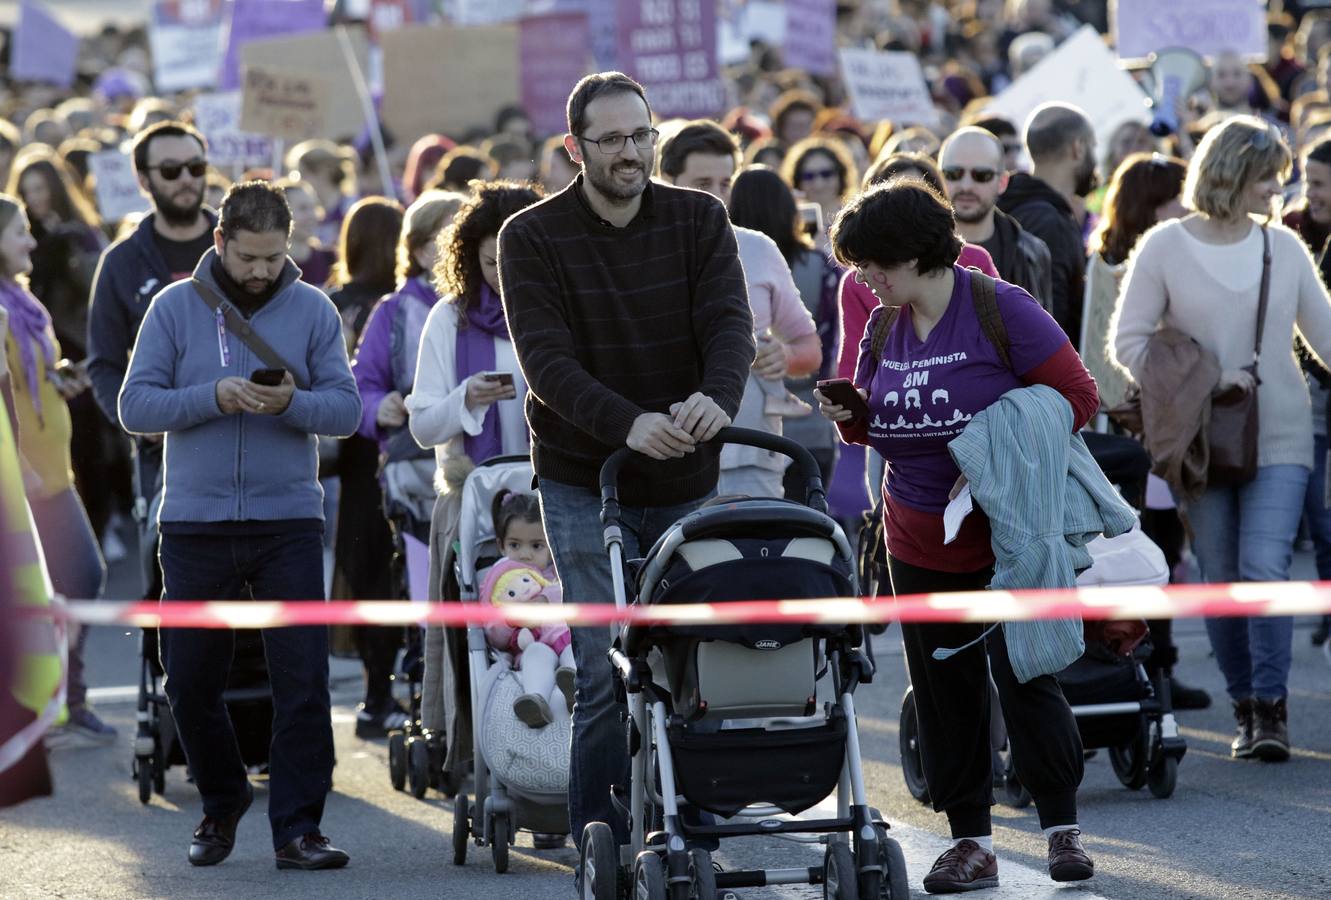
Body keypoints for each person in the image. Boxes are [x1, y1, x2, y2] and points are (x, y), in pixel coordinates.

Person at [816, 178, 1098, 891]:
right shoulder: (883, 326)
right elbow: (879, 425)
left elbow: (1077, 397)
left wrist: (995, 453)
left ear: (915, 254)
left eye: (874, 264)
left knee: (1028, 675)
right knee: (945, 695)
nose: (865, 279)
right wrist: (852, 415)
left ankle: (1061, 828)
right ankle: (969, 841)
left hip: (1007, 533)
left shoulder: (1000, 309)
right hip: (915, 535)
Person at [497, 72, 754, 853]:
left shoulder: (698, 218)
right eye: (611, 139)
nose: (631, 152)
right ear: (575, 148)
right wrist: (628, 424)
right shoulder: (530, 237)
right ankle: (598, 834)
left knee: (693, 660)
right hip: (584, 478)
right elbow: (546, 362)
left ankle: (697, 821)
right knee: (604, 667)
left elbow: (728, 325)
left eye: (641, 135)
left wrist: (717, 396)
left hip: (685, 473)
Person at [118, 181, 359, 869]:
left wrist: (290, 404)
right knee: (188, 680)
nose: (262, 271)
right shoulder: (172, 308)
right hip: (194, 522)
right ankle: (222, 802)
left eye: (275, 258)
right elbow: (136, 405)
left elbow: (344, 412)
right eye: (250, 257)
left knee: (302, 678)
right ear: (219, 241)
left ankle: (298, 830)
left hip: (287, 518)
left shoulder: (313, 308)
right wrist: (213, 397)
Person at [1112, 116, 1331, 763]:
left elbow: (1326, 337)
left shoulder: (1283, 248)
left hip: (1281, 431)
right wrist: (1205, 378)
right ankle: (1241, 703)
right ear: (1233, 174)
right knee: (1220, 575)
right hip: (1197, 441)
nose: (1278, 189)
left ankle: (1270, 710)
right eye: (1268, 177)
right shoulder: (1163, 246)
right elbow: (1127, 342)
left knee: (1264, 567)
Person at [1085, 152, 1213, 711]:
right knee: (1129, 555)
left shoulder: (1188, 257)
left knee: (1166, 552)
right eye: (1175, 195)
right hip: (1129, 433)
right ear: (1150, 202)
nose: (1187, 206)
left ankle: (1162, 668)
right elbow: (1098, 352)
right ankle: (1124, 667)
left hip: (1171, 429)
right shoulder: (1107, 264)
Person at [85, 120, 216, 602]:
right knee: (170, 563)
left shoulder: (238, 245)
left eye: (196, 166)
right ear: (144, 180)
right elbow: (102, 363)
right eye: (171, 169)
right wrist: (135, 421)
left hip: (247, 432)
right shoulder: (121, 262)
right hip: (164, 451)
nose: (186, 178)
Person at [656, 121, 820, 498]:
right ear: (665, 179)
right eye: (702, 184)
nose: (716, 197)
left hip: (750, 455)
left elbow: (809, 350)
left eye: (725, 184)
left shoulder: (758, 248)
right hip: (663, 460)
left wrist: (786, 355)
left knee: (752, 557)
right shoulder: (632, 252)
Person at [0, 194, 110, 748]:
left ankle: (65, 699)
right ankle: (50, 704)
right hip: (24, 480)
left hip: (52, 470)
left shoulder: (21, 301)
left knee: (74, 583)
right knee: (74, 581)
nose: (32, 242)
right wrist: (16, 467)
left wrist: (60, 379)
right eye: (20, 232)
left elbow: (29, 378)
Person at [325, 197, 406, 737]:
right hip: (397, 449)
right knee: (401, 573)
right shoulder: (403, 306)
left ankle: (375, 694)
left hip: (353, 461)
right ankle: (392, 689)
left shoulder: (332, 303)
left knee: (366, 571)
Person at [408, 182, 541, 473]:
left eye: (513, 261)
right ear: (470, 258)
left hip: (555, 491)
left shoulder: (563, 310)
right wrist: (466, 397)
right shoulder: (449, 317)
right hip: (476, 495)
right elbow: (422, 429)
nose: (503, 274)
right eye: (491, 263)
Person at [728, 165, 844, 498]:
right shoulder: (820, 266)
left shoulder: (734, 261)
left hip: (745, 434)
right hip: (813, 422)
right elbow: (832, 345)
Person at [998, 102, 1098, 343]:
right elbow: (1051, 325)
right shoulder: (1051, 222)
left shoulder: (1008, 206)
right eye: (1093, 147)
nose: (1096, 160)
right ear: (1078, 149)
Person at [479, 489, 573, 728]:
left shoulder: (557, 574)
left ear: (551, 546)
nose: (525, 555)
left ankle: (575, 686)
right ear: (501, 546)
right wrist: (511, 620)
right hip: (533, 643)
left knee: (575, 650)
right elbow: (492, 631)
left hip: (566, 637)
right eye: (515, 545)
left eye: (536, 546)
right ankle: (535, 700)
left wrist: (543, 599)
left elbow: (568, 595)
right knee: (535, 656)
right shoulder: (498, 581)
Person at [939, 126, 1053, 305]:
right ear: (940, 177)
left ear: (1002, 182)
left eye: (981, 175)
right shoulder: (915, 250)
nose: (966, 185)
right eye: (954, 174)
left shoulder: (1031, 252)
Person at [781, 136, 859, 244]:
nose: (819, 184)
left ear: (841, 176)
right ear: (797, 181)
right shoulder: (789, 225)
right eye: (808, 176)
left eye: (826, 174)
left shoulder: (856, 219)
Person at [276, 178, 335, 289]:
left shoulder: (330, 260)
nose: (312, 215)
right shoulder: (273, 265)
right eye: (303, 208)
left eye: (314, 207)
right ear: (281, 214)